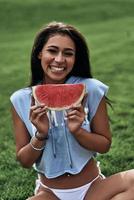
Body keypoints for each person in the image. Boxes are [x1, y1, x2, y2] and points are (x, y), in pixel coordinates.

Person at [10, 21, 134, 200]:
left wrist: (78, 131)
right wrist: (41, 135)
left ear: (75, 59)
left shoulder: (89, 89)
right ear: (39, 53)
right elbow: (24, 161)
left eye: (68, 53)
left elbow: (104, 145)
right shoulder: (20, 99)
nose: (59, 60)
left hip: (94, 189)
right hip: (50, 193)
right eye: (52, 51)